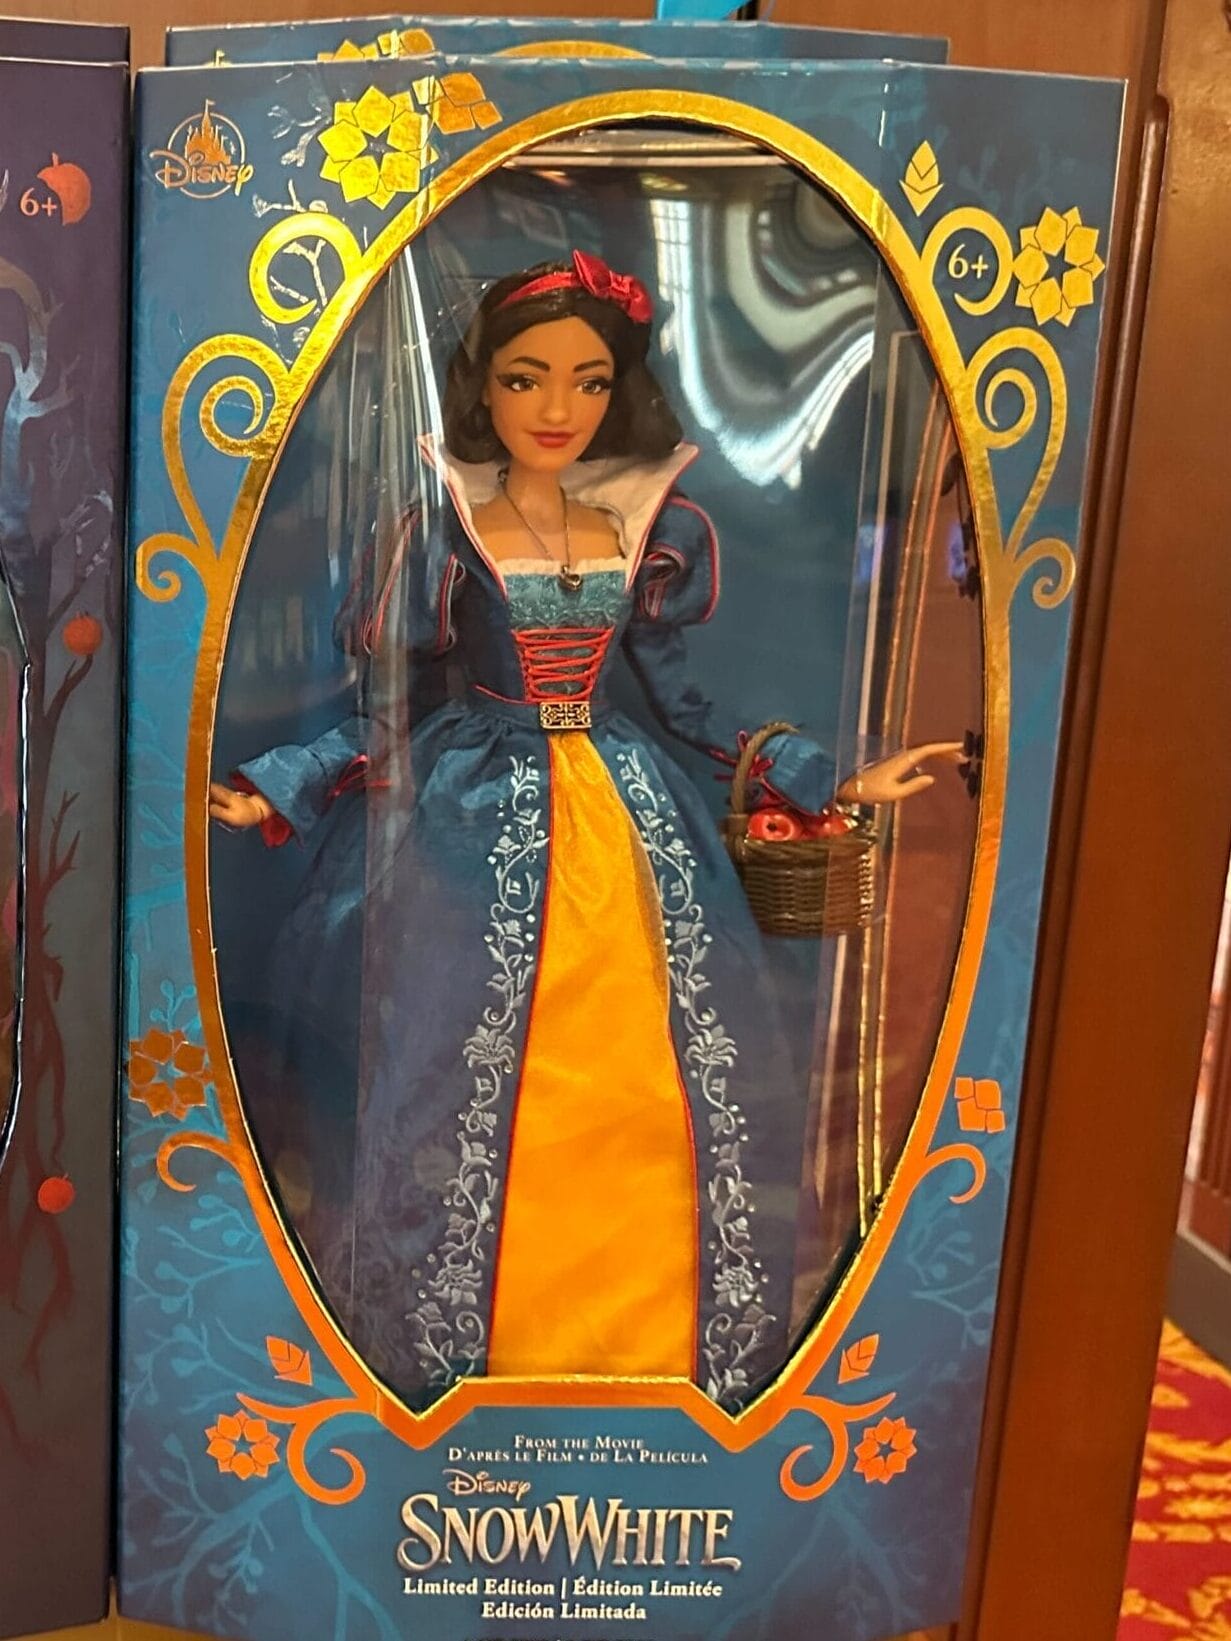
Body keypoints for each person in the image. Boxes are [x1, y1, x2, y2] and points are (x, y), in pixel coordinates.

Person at [210, 251, 958, 1412]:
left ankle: (642, 1347)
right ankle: (470, 1356)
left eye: (588, 381)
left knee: (644, 1087)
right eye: (526, 378)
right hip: (468, 825)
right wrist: (282, 784)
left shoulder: (638, 528)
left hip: (627, 824)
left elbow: (685, 707)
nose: (556, 408)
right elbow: (390, 711)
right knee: (459, 1076)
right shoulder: (447, 530)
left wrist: (833, 778)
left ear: (620, 391)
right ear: (482, 388)